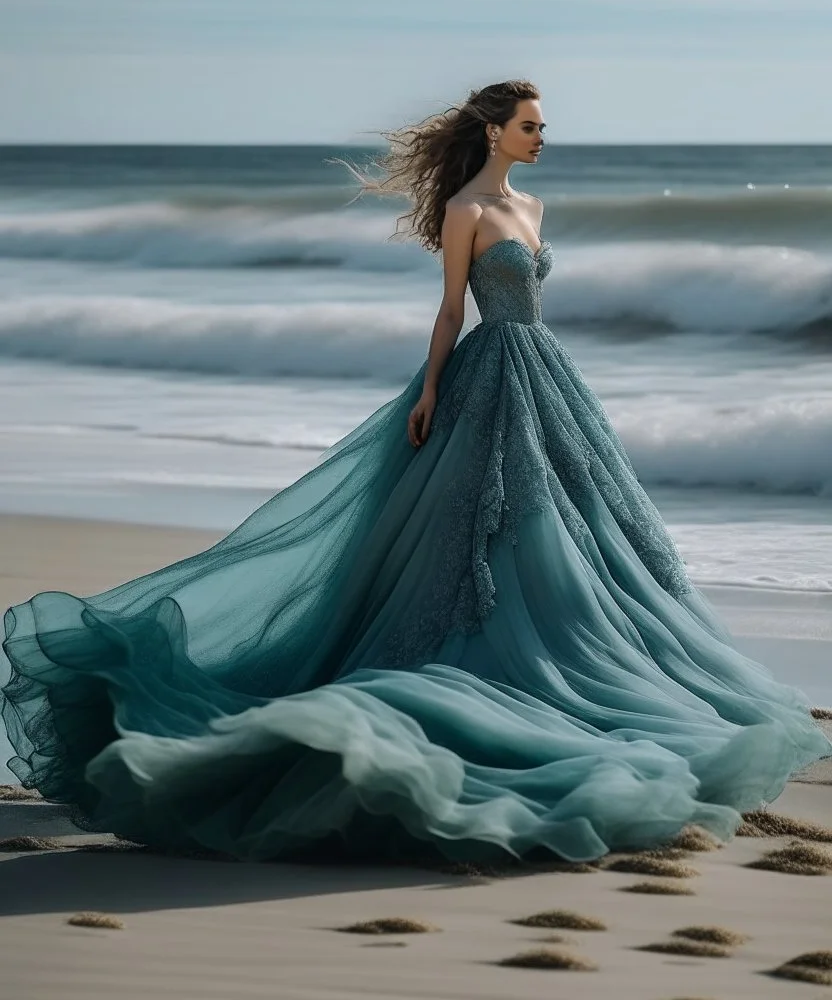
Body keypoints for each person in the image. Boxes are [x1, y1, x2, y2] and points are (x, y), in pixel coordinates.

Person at [2, 79, 829, 864]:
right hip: (487, 371)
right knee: (482, 525)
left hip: (546, 371)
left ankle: (571, 640)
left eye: (544, 126)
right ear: (495, 130)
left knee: (580, 524)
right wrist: (430, 390)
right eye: (531, 126)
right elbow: (449, 310)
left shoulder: (533, 205)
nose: (544, 138)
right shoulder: (468, 209)